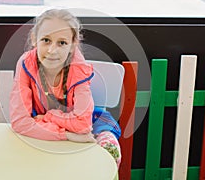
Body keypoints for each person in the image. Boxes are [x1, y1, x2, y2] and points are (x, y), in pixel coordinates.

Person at [9, 9, 121, 167]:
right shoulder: (26, 63)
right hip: (43, 128)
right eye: (46, 40)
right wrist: (67, 135)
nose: (52, 50)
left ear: (73, 45)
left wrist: (49, 117)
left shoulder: (78, 67)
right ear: (34, 39)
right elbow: (20, 122)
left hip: (90, 123)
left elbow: (83, 126)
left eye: (62, 43)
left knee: (109, 152)